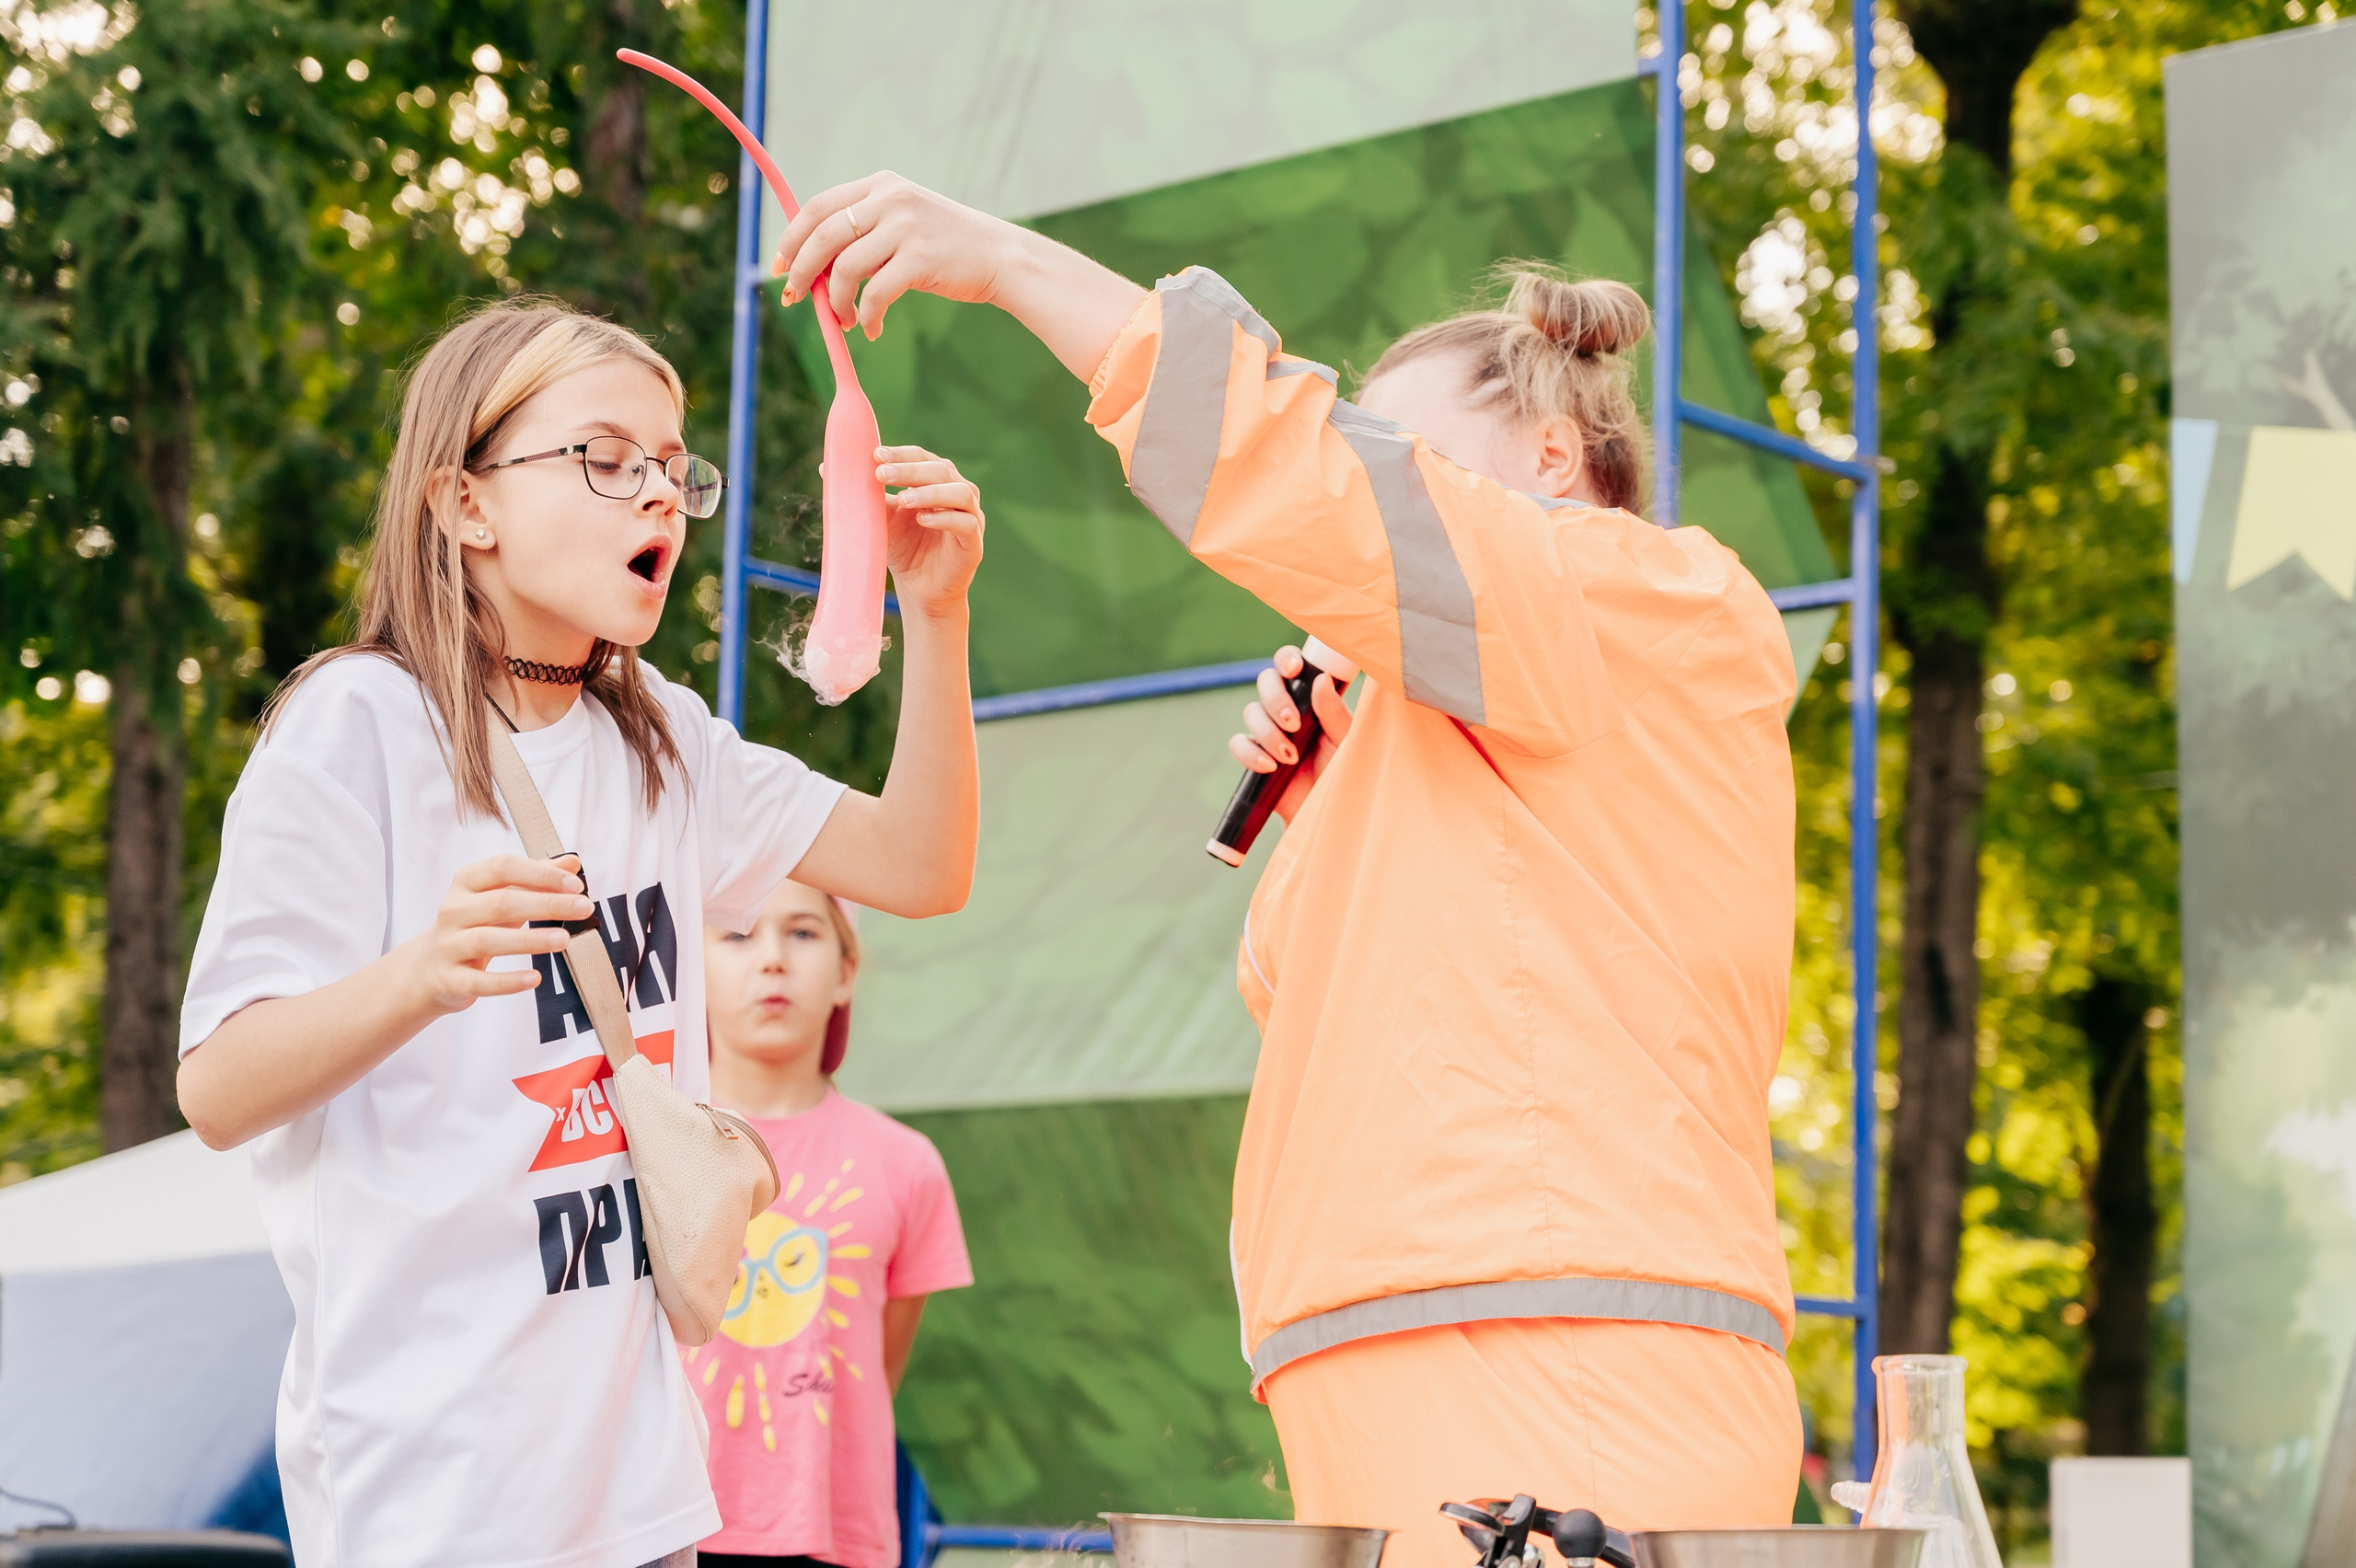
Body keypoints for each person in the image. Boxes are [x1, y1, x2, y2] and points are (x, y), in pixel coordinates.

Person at [768, 181, 1803, 1564]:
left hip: (1567, 1336)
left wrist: (1007, 264)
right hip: (1388, 1343)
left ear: (1554, 458)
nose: (1371, 482)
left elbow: (1300, 483)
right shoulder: (1425, 709)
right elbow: (1310, 987)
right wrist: (1333, 787)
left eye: (1403, 457)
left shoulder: (1654, 603)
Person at [175, 299, 986, 1568]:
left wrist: (935, 617)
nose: (658, 496)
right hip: (433, 1503)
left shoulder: (658, 733)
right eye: (605, 458)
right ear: (466, 504)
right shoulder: (356, 726)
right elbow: (219, 1087)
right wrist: (419, 976)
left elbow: (923, 866)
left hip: (645, 1500)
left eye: (674, 469)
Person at [689, 878, 971, 1568]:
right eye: (737, 934)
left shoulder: (907, 1164)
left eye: (805, 933)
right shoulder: (644, 1150)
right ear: (687, 969)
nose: (773, 959)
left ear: (847, 972)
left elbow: (878, 1367)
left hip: (838, 1537)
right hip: (673, 1533)